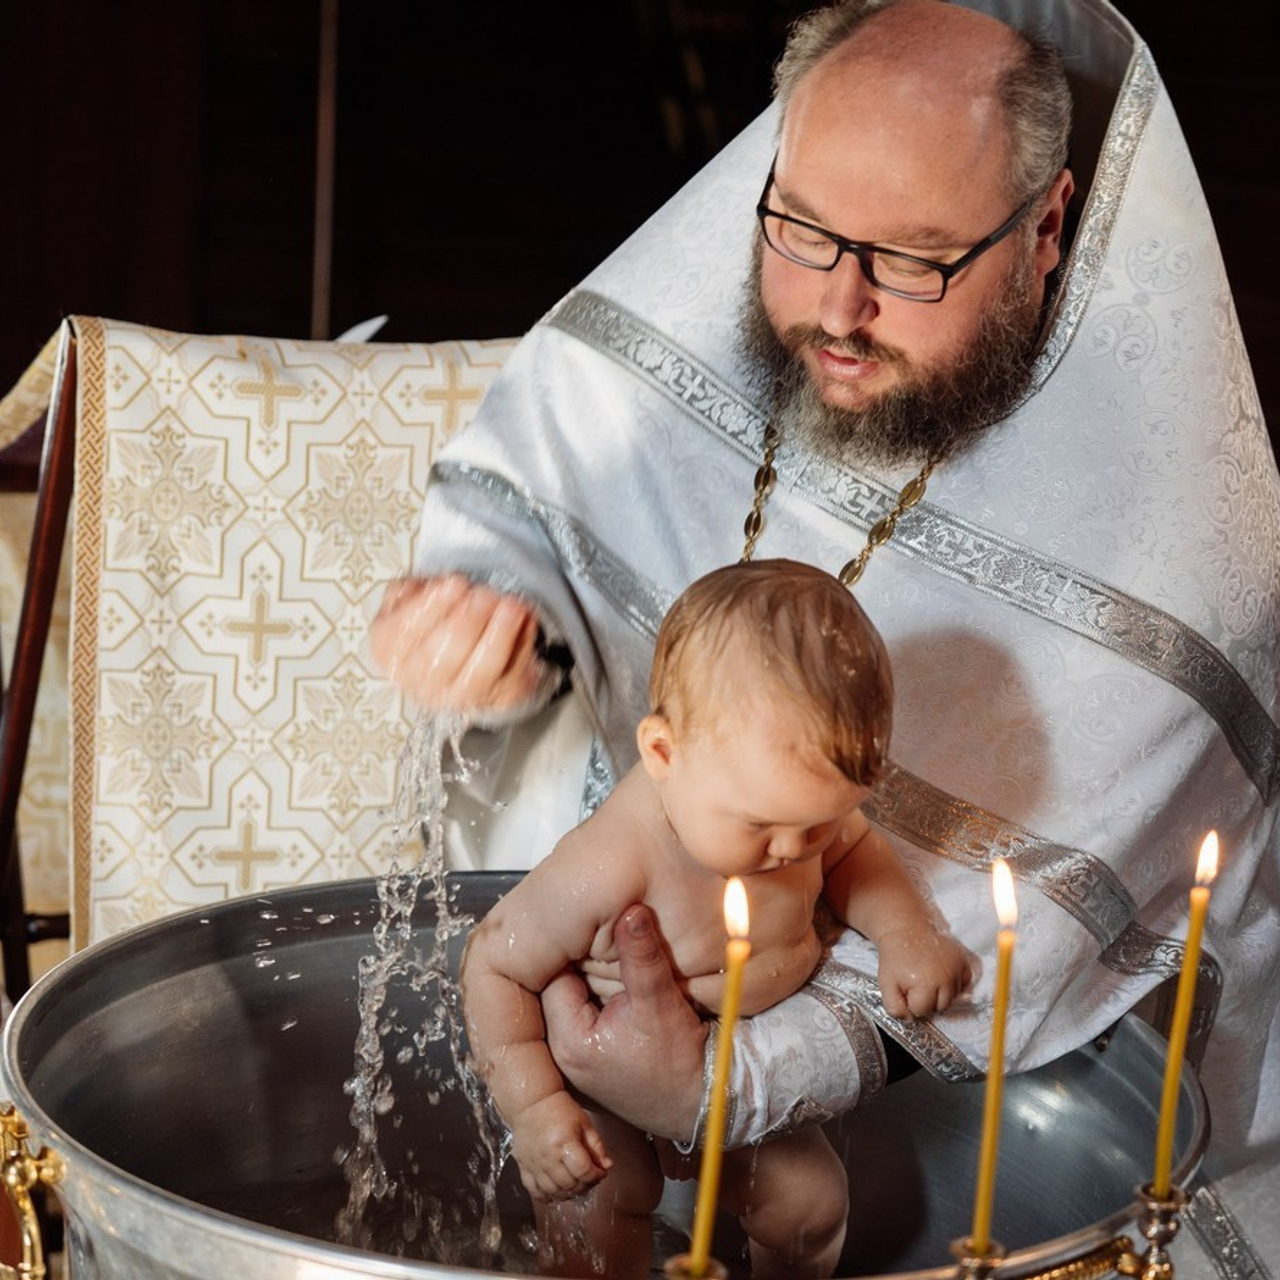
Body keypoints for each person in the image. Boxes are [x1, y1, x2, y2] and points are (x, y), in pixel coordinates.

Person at [371, 0, 1280, 1267]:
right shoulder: (761, 286)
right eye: (799, 231)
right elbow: (543, 484)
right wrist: (490, 612)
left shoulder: (1181, 551)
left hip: (935, 1120)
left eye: (912, 260)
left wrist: (716, 1080)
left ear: (1047, 229)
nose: (838, 310)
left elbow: (978, 922)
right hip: (598, 994)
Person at [461, 559, 973, 1276]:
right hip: (599, 1085)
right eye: (763, 825)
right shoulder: (609, 864)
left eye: (817, 823)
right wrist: (537, 1109)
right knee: (600, 1201)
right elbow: (493, 963)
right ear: (663, 752)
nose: (794, 850)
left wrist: (906, 934)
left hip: (730, 1065)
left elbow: (862, 854)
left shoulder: (794, 811)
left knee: (812, 1201)